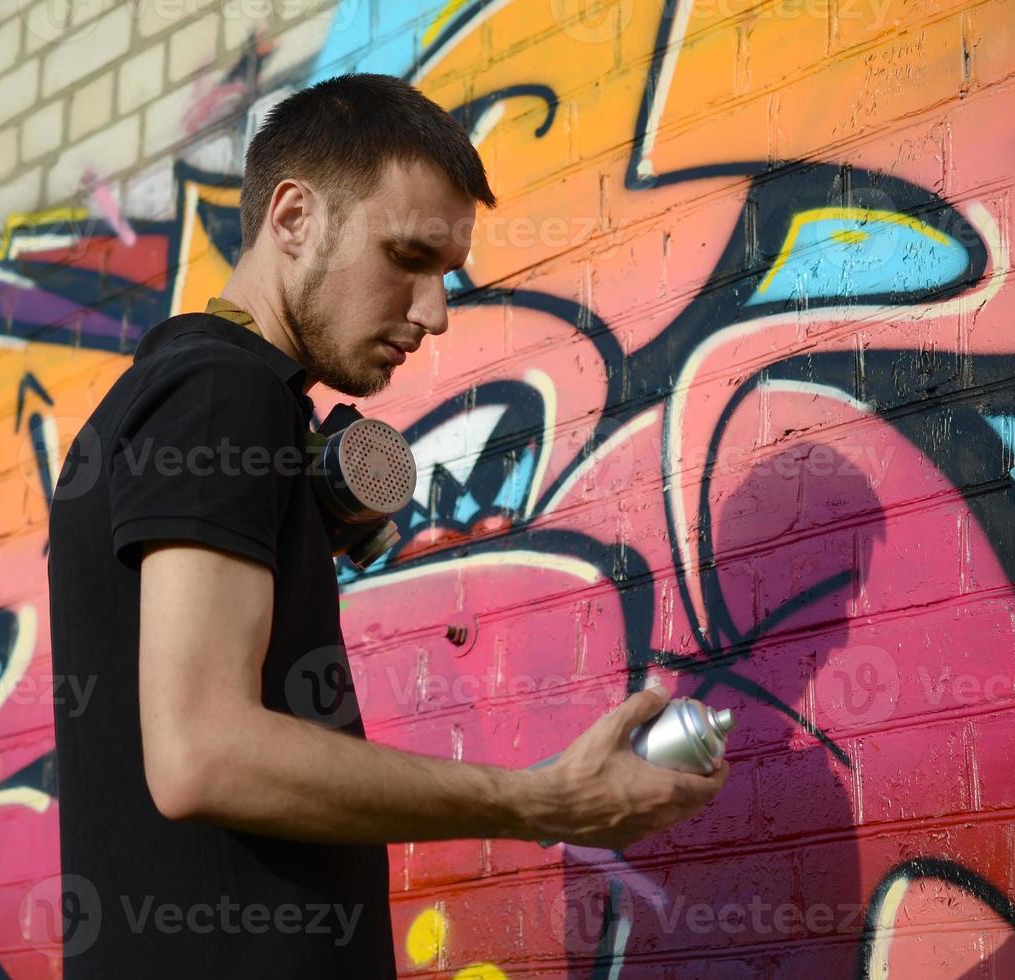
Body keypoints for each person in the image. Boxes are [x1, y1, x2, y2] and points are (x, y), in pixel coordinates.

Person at [46, 72, 729, 978]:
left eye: (445, 275)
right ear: (292, 218)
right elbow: (202, 753)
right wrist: (540, 803)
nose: (434, 312)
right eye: (406, 258)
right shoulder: (223, 393)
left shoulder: (195, 397)